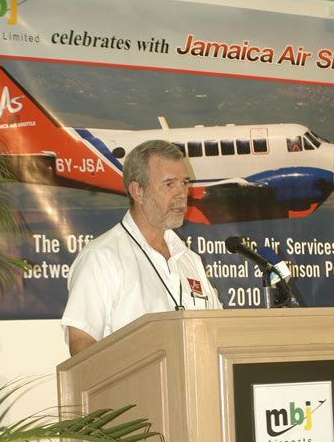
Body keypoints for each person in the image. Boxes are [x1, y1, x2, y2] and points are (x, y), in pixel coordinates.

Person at [61, 139, 222, 356]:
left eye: (184, 183)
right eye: (169, 184)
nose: (182, 194)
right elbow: (82, 345)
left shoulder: (189, 260)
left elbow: (219, 331)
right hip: (133, 389)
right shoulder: (101, 257)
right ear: (137, 191)